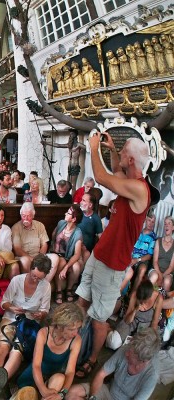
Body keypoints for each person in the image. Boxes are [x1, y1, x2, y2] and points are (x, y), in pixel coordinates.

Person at [75, 134, 151, 379]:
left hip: (112, 265)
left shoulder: (139, 188)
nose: (119, 156)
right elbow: (117, 170)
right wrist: (111, 151)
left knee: (99, 318)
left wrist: (94, 148)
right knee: (82, 301)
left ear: (131, 159)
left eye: (122, 152)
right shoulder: (128, 179)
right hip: (99, 256)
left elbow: (102, 177)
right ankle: (71, 343)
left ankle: (93, 359)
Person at [0, 254, 52, 397]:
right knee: (3, 344)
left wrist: (41, 315)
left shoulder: (46, 286)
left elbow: (45, 310)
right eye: (33, 275)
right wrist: (13, 308)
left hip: (30, 322)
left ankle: (1, 378)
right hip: (11, 317)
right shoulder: (17, 280)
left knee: (17, 350)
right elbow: (4, 302)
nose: (35, 279)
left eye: (39, 278)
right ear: (30, 269)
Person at [11, 303, 83, 400]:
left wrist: (62, 394)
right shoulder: (44, 333)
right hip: (36, 373)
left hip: (53, 378)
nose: (75, 333)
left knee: (60, 378)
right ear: (60, 326)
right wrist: (42, 389)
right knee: (26, 392)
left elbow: (70, 372)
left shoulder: (76, 340)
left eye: (78, 329)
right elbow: (36, 365)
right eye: (71, 329)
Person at [67, 328, 161, 400]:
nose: (126, 353)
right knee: (71, 393)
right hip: (109, 390)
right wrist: (93, 397)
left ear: (142, 360)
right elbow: (101, 374)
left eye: (131, 354)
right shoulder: (128, 348)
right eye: (129, 349)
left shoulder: (152, 374)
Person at [106, 279, 163, 350]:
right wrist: (135, 310)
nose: (143, 303)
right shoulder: (135, 295)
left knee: (140, 350)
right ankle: (108, 330)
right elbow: (127, 321)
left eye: (144, 301)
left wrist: (149, 337)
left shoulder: (158, 298)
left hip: (145, 328)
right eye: (141, 300)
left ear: (150, 296)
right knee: (113, 344)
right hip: (131, 324)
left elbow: (154, 323)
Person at [48, 205, 83, 304]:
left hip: (67, 257)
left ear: (74, 219)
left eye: (68, 213)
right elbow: (53, 236)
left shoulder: (78, 233)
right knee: (61, 260)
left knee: (76, 267)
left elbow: (76, 254)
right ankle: (58, 290)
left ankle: (69, 289)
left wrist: (66, 268)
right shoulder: (61, 223)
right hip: (54, 254)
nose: (65, 214)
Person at [119, 211, 157, 294]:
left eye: (152, 222)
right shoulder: (138, 231)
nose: (150, 223)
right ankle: (119, 290)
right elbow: (129, 245)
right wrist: (130, 257)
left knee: (142, 269)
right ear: (145, 221)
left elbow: (149, 256)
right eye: (149, 220)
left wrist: (137, 260)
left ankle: (132, 295)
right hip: (131, 256)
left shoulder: (153, 237)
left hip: (142, 260)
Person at [11, 203, 52, 278]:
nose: (26, 218)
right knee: (25, 260)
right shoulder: (16, 227)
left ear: (33, 216)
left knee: (54, 258)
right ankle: (29, 282)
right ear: (21, 215)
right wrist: (32, 260)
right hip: (23, 257)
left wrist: (40, 257)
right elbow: (17, 250)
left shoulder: (40, 225)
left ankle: (43, 284)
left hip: (38, 256)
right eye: (23, 216)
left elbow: (44, 244)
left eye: (29, 216)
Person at [148, 215, 174, 291]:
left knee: (167, 281)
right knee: (154, 277)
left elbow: (171, 267)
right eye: (165, 223)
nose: (166, 225)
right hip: (155, 269)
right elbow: (155, 261)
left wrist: (162, 276)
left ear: (173, 228)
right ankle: (146, 299)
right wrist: (159, 275)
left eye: (169, 223)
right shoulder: (158, 241)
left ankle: (162, 301)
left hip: (168, 273)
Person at [77, 192, 103, 265]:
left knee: (86, 255)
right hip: (75, 245)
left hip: (86, 249)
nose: (81, 202)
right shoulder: (77, 213)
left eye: (84, 200)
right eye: (81, 200)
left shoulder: (96, 218)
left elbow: (100, 236)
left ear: (90, 205)